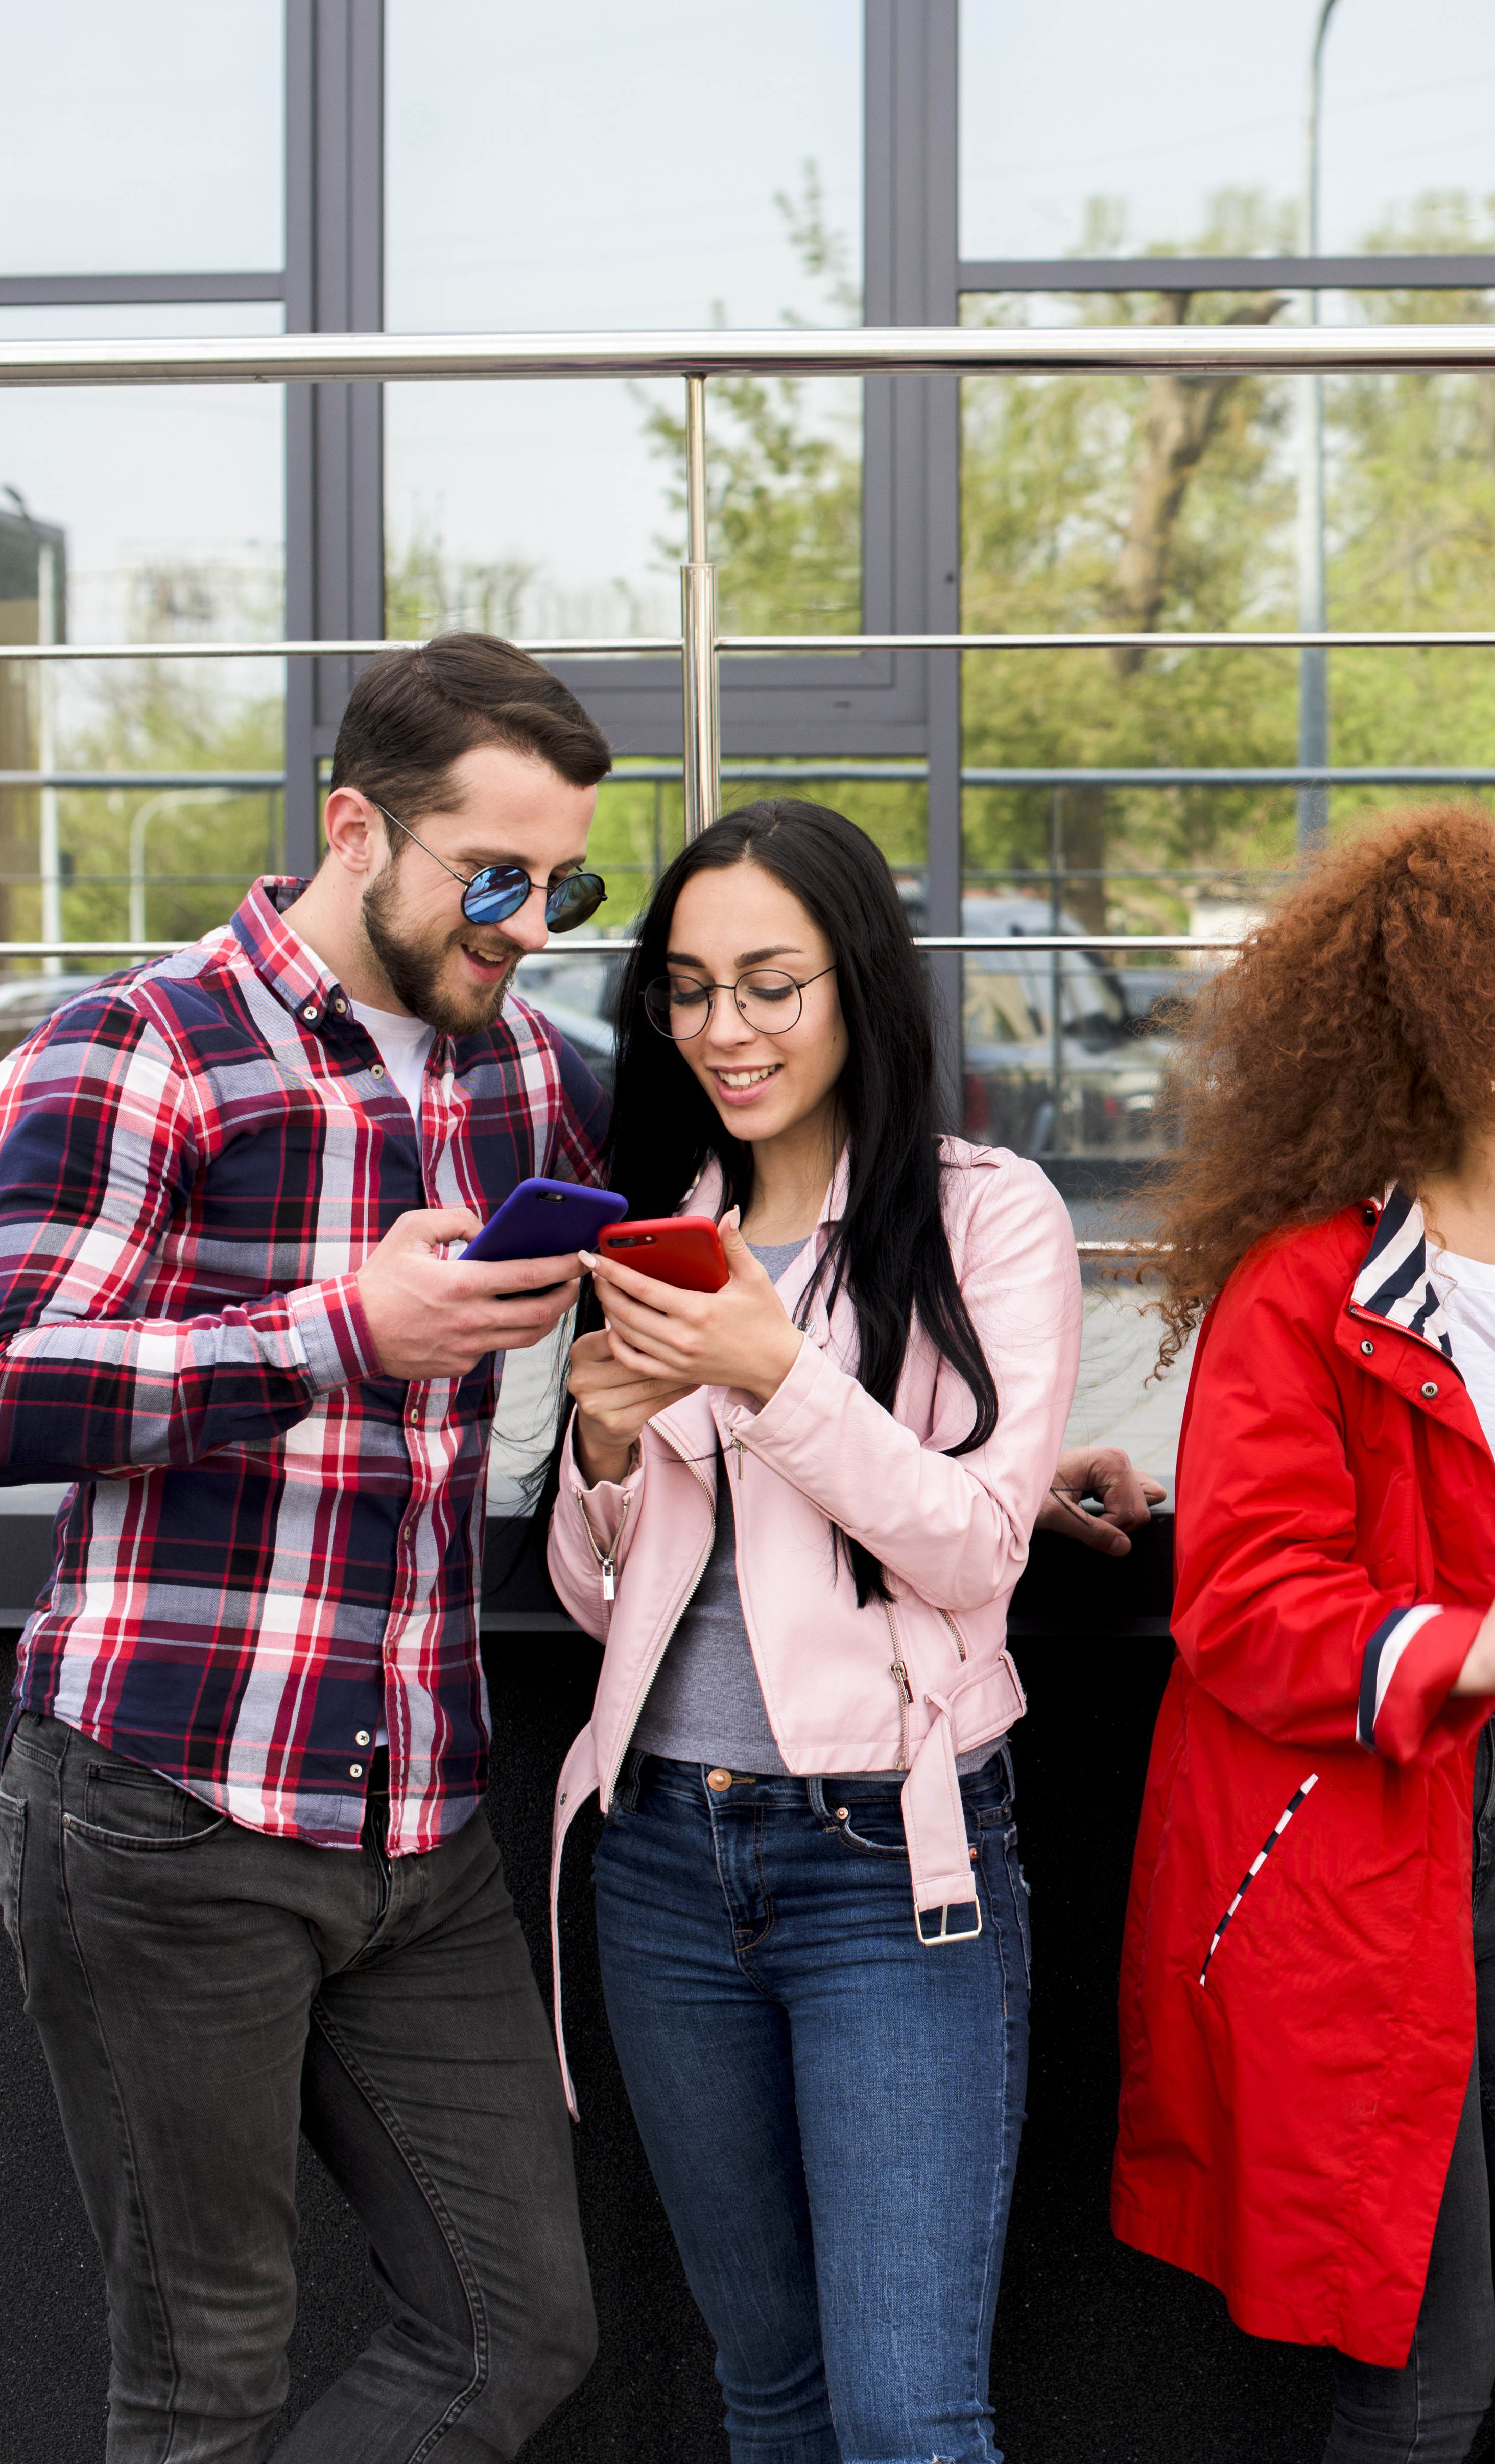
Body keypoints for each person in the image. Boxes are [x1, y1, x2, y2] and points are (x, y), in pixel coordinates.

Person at [0, 633, 612, 2458]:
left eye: (566, 882)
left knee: (520, 2332)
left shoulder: (528, 1077)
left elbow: (762, 1218)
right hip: (168, 1810)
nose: (533, 920)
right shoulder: (131, 1047)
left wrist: (996, 1447)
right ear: (355, 826)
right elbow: (3, 1394)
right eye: (497, 876)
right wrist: (342, 1330)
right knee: (201, 2383)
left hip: (422, 1821)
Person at [1110, 805, 1495, 2463]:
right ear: (1462, 1026)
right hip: (1333, 1855)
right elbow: (1239, 1599)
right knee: (1421, 2381)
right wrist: (1465, 1640)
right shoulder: (1309, 1290)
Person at [540, 800, 1128, 2461]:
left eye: (772, 984)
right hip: (663, 1850)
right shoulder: (653, 1223)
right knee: (770, 2393)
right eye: (690, 988)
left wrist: (770, 1371)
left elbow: (979, 1546)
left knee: (905, 2419)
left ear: (860, 982)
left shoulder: (989, 1215)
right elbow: (606, 1605)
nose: (726, 1030)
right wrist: (594, 1451)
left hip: (891, 1865)